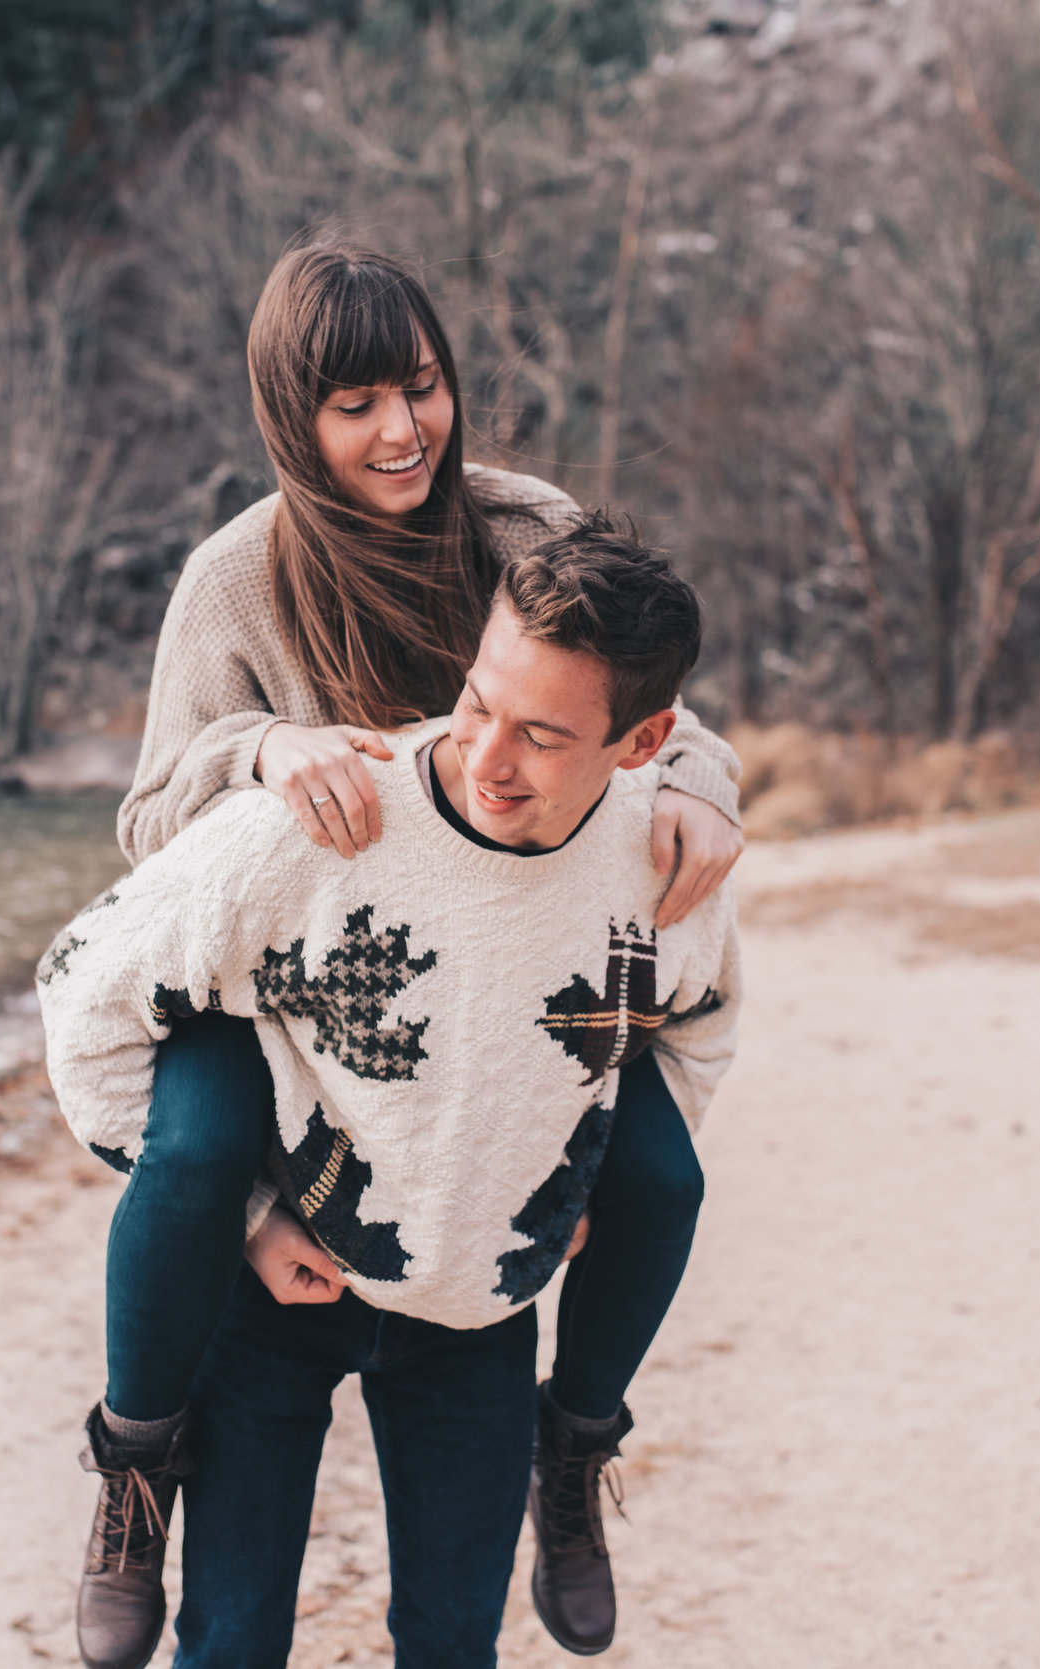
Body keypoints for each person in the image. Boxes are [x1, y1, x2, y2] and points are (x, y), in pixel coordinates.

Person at [66, 243, 746, 1669]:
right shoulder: (238, 578)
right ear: (290, 422)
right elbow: (150, 828)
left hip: (495, 970)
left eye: (420, 387)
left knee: (663, 1176)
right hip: (286, 979)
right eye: (354, 403)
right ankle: (135, 1465)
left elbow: (631, 707)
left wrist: (702, 780)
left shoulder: (521, 523)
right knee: (194, 1163)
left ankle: (574, 1449)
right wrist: (263, 750)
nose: (400, 431)